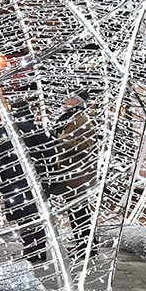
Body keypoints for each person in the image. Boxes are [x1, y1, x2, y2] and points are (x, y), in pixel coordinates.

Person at [0, 100, 54, 264]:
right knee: (37, 217)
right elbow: (49, 153)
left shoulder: (7, 131)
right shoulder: (36, 130)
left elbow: (0, 158)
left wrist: (0, 180)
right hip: (34, 180)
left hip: (14, 182)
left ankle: (30, 249)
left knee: (23, 218)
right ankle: (40, 249)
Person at [49, 90, 100, 259]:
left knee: (81, 212)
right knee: (75, 211)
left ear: (77, 103)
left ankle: (87, 247)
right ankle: (82, 245)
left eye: (70, 99)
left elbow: (87, 144)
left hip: (79, 174)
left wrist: (63, 141)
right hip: (70, 173)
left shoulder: (83, 120)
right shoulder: (69, 119)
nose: (66, 101)